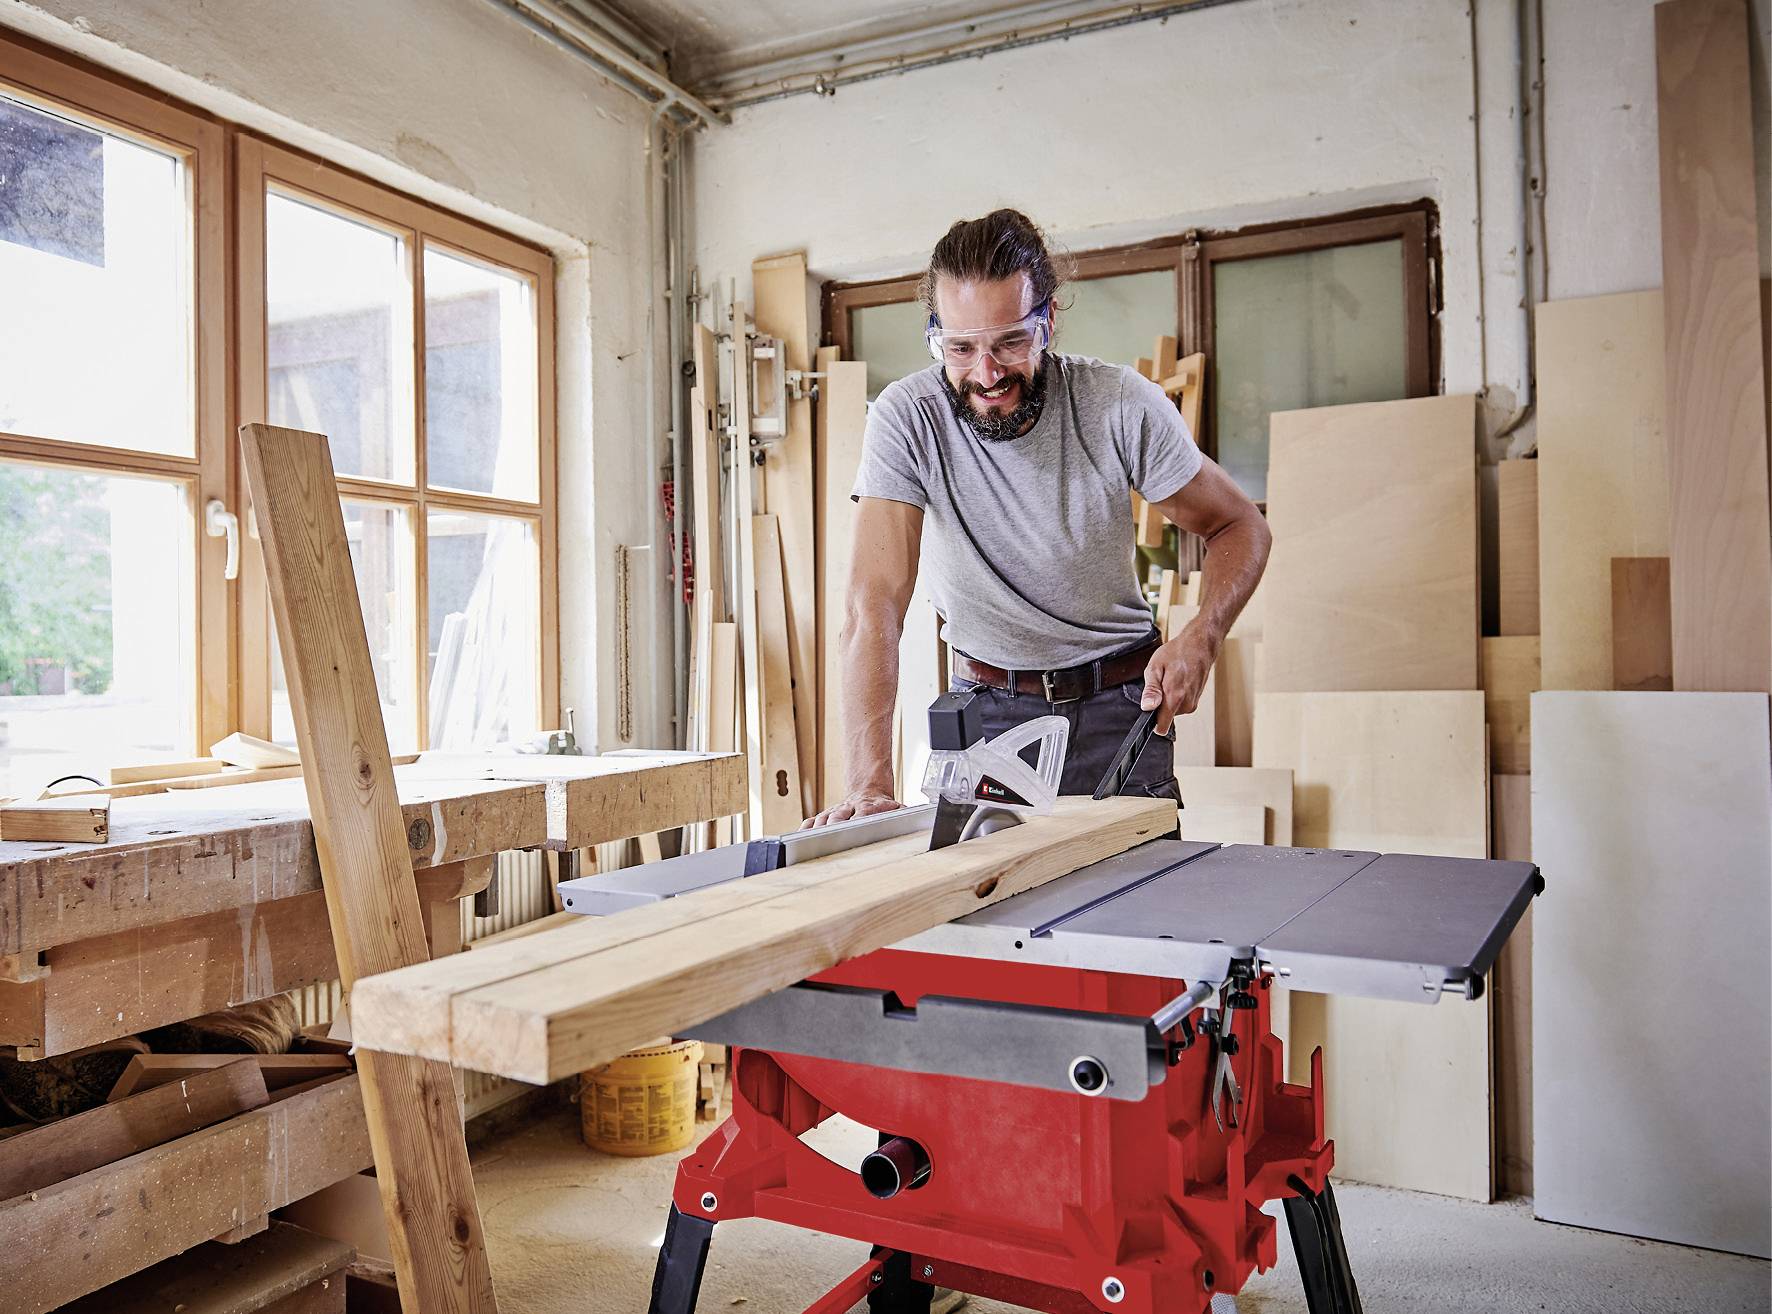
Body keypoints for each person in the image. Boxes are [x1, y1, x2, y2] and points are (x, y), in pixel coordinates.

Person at [804, 208, 1270, 829]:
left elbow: (1240, 526)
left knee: (1130, 913)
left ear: (1047, 322)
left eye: (1010, 343)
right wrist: (868, 786)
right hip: (989, 713)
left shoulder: (1118, 404)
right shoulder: (907, 418)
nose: (987, 375)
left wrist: (1203, 637)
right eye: (961, 348)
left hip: (1120, 709)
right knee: (982, 913)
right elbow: (874, 607)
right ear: (935, 335)